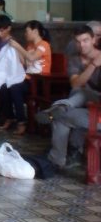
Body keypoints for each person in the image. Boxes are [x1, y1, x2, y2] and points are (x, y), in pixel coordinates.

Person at [41, 26, 101, 170]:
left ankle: (57, 159)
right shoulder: (75, 60)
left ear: (94, 39)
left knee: (62, 116)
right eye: (78, 41)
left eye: (86, 40)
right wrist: (93, 65)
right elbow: (75, 84)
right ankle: (63, 106)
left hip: (96, 111)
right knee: (80, 92)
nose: (82, 45)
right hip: (86, 103)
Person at [0, 20, 52, 133]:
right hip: (27, 79)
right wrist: (15, 50)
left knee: (15, 88)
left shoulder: (44, 45)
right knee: (4, 87)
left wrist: (18, 47)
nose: (25, 34)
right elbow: (24, 61)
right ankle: (10, 117)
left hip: (39, 81)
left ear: (35, 31)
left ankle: (21, 122)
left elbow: (32, 58)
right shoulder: (29, 46)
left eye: (27, 31)